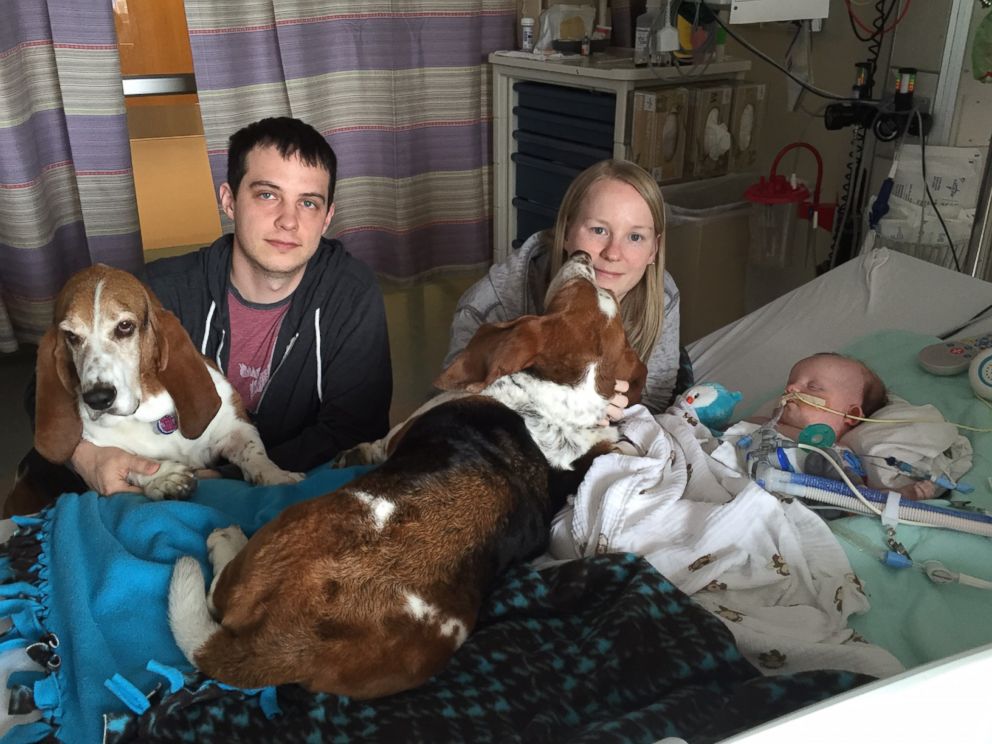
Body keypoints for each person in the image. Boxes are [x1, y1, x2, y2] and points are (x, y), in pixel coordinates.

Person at [52, 116, 393, 496]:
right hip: (162, 490)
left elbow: (355, 432)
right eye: (267, 195)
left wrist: (227, 482)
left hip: (295, 490)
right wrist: (88, 458)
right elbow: (49, 382)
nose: (288, 221)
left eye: (308, 203)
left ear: (328, 217)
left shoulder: (350, 294)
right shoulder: (160, 290)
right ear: (229, 200)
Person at [444, 159, 692, 416]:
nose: (613, 253)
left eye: (635, 237)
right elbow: (453, 403)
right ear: (566, 231)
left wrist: (624, 410)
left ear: (654, 249)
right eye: (598, 230)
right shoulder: (491, 304)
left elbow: (656, 400)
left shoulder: (662, 295)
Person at [751, 352, 936, 500]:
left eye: (813, 387)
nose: (791, 389)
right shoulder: (759, 423)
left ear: (851, 415)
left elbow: (858, 500)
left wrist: (900, 496)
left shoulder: (835, 453)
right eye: (788, 385)